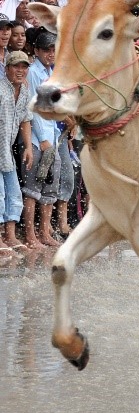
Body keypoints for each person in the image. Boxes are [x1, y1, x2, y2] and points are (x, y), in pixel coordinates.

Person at [22, 30, 60, 248]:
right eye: (46, 50)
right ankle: (30, 235)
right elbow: (32, 108)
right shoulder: (33, 72)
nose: (51, 53)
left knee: (50, 186)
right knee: (32, 187)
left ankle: (44, 232)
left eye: (53, 49)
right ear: (36, 51)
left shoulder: (51, 71)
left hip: (52, 134)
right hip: (38, 138)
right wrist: (44, 139)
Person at [0, 51, 32, 254]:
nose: (20, 71)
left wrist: (28, 146)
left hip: (6, 151)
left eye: (24, 67)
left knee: (14, 193)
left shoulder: (25, 92)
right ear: (7, 69)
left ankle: (10, 237)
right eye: (15, 66)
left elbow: (25, 119)